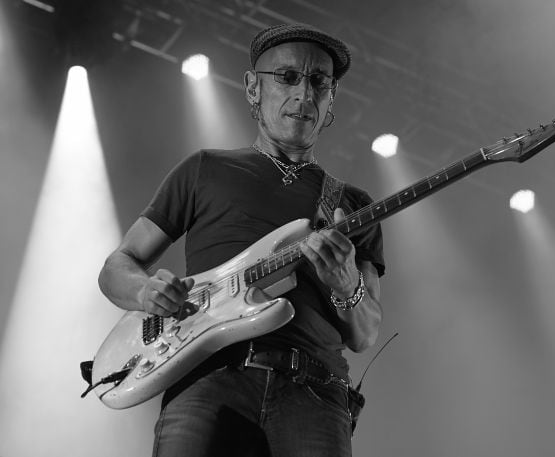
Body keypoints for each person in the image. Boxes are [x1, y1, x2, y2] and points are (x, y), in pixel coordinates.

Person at [98, 23, 385, 457]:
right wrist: (144, 290)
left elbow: (364, 335)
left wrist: (347, 284)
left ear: (331, 99)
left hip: (315, 392)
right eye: (287, 77)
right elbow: (117, 265)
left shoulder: (353, 205)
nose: (304, 93)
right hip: (208, 378)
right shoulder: (204, 169)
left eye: (319, 82)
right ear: (253, 88)